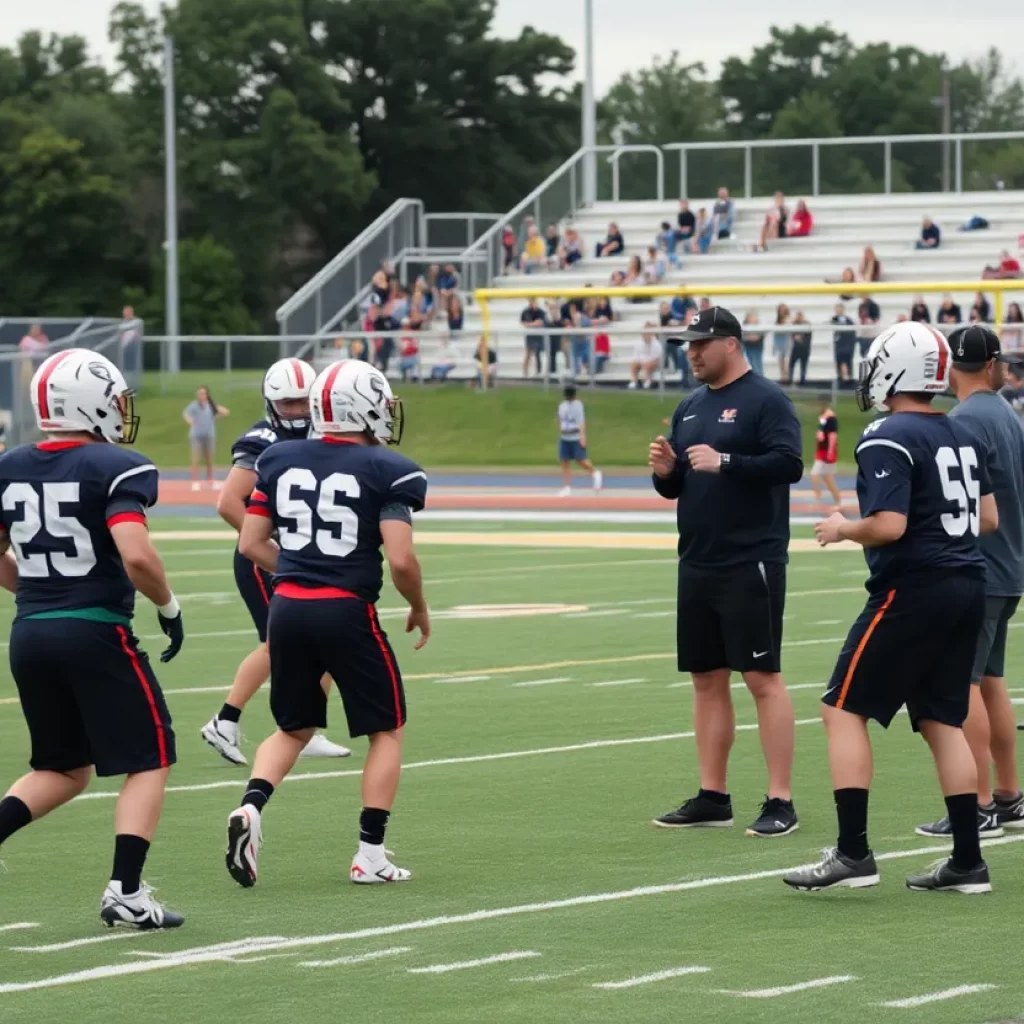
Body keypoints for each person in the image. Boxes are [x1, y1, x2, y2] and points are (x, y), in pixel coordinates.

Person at [785, 321, 996, 894]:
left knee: (841, 709)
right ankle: (967, 862)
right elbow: (990, 519)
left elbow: (890, 525)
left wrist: (841, 527)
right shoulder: (962, 433)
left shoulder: (888, 434)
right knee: (940, 720)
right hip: (967, 583)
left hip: (915, 587)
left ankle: (853, 854)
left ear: (893, 368)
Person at [224, 361, 429, 888]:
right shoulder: (389, 468)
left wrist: (296, 571)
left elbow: (250, 542)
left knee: (292, 727)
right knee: (385, 731)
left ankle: (251, 807)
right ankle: (370, 854)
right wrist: (418, 605)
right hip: (346, 610)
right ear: (363, 408)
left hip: (288, 606)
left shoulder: (278, 458)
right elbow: (402, 560)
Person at [0, 349, 185, 928]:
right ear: (90, 403)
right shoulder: (114, 466)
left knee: (62, 769)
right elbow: (136, 554)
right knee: (151, 757)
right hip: (96, 630)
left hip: (30, 632)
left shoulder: (9, 464)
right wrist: (168, 604)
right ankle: (127, 893)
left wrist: (37, 594)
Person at [649, 306, 802, 838]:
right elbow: (680, 486)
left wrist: (729, 462)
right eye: (687, 345)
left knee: (762, 678)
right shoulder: (689, 406)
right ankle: (713, 794)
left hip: (750, 559)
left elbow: (790, 464)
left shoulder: (767, 399)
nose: (691, 353)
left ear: (731, 344)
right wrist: (667, 473)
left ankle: (780, 799)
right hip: (697, 559)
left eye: (700, 343)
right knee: (706, 679)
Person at [204, 359, 351, 766]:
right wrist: (270, 547)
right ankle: (225, 720)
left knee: (323, 642)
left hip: (302, 552)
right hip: (262, 557)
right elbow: (229, 502)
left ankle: (302, 727)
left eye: (305, 402)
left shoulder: (324, 427)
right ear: (271, 403)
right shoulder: (261, 439)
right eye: (289, 404)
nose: (300, 412)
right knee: (279, 645)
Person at [913, 327, 1024, 837]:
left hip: (977, 567)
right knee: (993, 681)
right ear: (992, 364)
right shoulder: (1006, 415)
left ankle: (978, 803)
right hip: (1009, 566)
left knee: (966, 684)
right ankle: (1007, 793)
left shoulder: (962, 422)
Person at [556, 385, 603, 497]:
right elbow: (560, 419)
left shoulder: (578, 405)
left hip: (575, 436)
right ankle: (567, 487)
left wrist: (583, 437)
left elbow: (581, 421)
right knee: (564, 461)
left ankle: (595, 472)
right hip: (565, 437)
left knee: (580, 460)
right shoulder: (562, 406)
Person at [183, 386, 229, 492]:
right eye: (199, 393)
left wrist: (219, 410)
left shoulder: (210, 405)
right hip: (196, 436)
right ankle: (195, 482)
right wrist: (189, 420)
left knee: (209, 459)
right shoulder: (194, 406)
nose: (201, 395)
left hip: (209, 435)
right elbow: (186, 414)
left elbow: (224, 412)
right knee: (196, 459)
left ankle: (210, 481)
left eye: (203, 393)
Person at [810, 400, 842, 509]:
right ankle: (836, 499)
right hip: (822, 450)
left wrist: (830, 451)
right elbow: (820, 433)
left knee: (816, 474)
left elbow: (833, 436)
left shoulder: (831, 419)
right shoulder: (824, 419)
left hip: (827, 451)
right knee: (827, 477)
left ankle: (818, 498)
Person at [521, 298, 548, 377]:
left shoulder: (540, 312)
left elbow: (540, 323)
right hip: (530, 335)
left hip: (538, 335)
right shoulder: (526, 312)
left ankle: (538, 372)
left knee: (537, 354)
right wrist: (533, 324)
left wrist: (530, 324)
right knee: (528, 354)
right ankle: (525, 373)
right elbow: (524, 323)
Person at [831, 303, 856, 382]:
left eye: (839, 309)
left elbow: (852, 331)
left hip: (847, 344)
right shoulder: (834, 319)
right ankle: (840, 378)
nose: (838, 311)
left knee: (848, 361)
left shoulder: (849, 320)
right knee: (839, 361)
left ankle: (849, 378)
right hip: (838, 344)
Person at [787, 311, 812, 386]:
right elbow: (792, 336)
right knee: (792, 364)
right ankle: (790, 380)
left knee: (803, 365)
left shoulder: (807, 325)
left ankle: (802, 381)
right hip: (796, 348)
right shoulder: (795, 325)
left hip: (804, 348)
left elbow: (808, 338)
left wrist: (800, 338)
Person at [857, 294, 881, 359]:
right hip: (864, 333)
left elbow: (876, 319)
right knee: (864, 353)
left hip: (871, 333)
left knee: (872, 353)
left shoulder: (873, 305)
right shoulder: (861, 306)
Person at [741, 310, 764, 376]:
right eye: (750, 316)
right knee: (752, 365)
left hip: (757, 348)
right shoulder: (744, 326)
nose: (752, 318)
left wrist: (752, 337)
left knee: (757, 366)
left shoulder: (759, 326)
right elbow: (744, 337)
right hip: (748, 349)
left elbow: (759, 337)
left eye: (753, 316)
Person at [773, 304, 791, 380]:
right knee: (781, 360)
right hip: (779, 341)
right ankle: (782, 376)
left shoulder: (788, 318)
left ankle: (786, 376)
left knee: (786, 359)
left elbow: (789, 328)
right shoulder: (777, 320)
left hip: (786, 340)